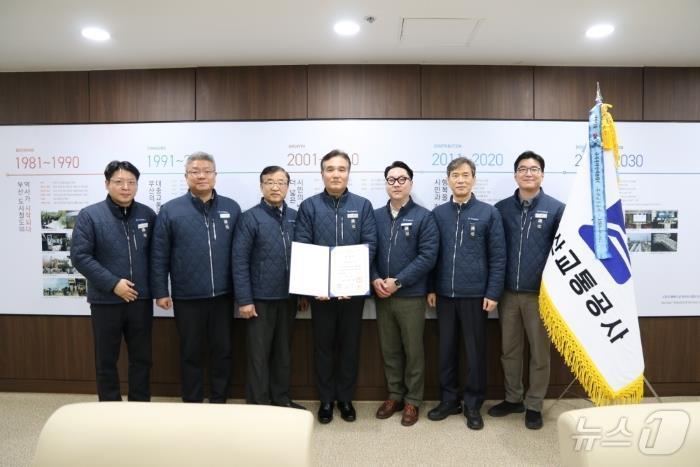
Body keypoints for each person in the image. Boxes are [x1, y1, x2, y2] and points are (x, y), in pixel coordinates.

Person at [294, 149, 377, 424]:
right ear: (322, 174)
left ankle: (345, 398)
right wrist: (313, 284)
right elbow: (304, 246)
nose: (336, 174)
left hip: (351, 293)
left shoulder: (363, 205)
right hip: (320, 295)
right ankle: (326, 400)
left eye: (341, 169)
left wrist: (351, 282)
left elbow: (370, 244)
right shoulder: (309, 206)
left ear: (348, 173)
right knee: (323, 347)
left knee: (350, 346)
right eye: (330, 169)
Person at [151, 151, 241, 403]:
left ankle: (219, 399)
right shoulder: (170, 210)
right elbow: (160, 254)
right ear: (186, 176)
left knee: (222, 350)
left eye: (206, 171)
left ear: (215, 175)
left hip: (223, 295)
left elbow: (241, 254)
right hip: (187, 296)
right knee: (191, 352)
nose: (201, 176)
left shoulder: (231, 208)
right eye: (195, 171)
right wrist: (161, 291)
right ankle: (192, 400)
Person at [427, 156, 506, 430]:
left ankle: (473, 404)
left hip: (476, 296)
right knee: (446, 350)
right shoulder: (437, 214)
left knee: (475, 353)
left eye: (465, 175)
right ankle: (448, 400)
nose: (460, 180)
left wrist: (493, 291)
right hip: (445, 296)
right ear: (448, 180)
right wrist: (431, 288)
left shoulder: (488, 213)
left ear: (474, 178)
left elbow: (498, 257)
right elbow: (431, 256)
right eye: (455, 175)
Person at [491, 150, 565, 429]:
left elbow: (564, 255)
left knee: (539, 353)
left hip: (540, 296)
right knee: (509, 350)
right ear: (515, 175)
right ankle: (513, 398)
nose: (528, 173)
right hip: (508, 293)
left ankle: (534, 404)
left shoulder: (557, 208)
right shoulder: (500, 209)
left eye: (534, 169)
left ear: (542, 175)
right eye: (523, 169)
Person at [72, 160, 156, 401]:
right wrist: (113, 284)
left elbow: (156, 256)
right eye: (119, 182)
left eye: (131, 182)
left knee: (142, 358)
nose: (125, 187)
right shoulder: (90, 215)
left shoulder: (147, 215)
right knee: (106, 359)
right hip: (105, 300)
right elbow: (80, 256)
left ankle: (140, 406)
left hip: (140, 300)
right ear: (107, 184)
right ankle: (109, 409)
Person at [233, 166, 306, 410]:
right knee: (258, 356)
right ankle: (259, 405)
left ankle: (282, 399)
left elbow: (306, 256)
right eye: (270, 182)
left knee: (283, 353)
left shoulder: (296, 216)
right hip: (259, 299)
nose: (276, 187)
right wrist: (245, 300)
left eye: (281, 182)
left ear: (288, 186)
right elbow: (239, 260)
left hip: (289, 296)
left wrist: (303, 291)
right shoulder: (250, 217)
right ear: (261, 186)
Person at [372, 161, 438, 427]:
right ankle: (395, 395)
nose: (396, 184)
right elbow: (368, 250)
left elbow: (428, 256)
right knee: (389, 350)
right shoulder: (374, 216)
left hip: (410, 295)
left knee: (413, 351)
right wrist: (375, 278)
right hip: (381, 296)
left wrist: (398, 281)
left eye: (402, 179)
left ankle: (413, 400)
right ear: (386, 183)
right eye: (391, 179)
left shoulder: (424, 216)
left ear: (411, 182)